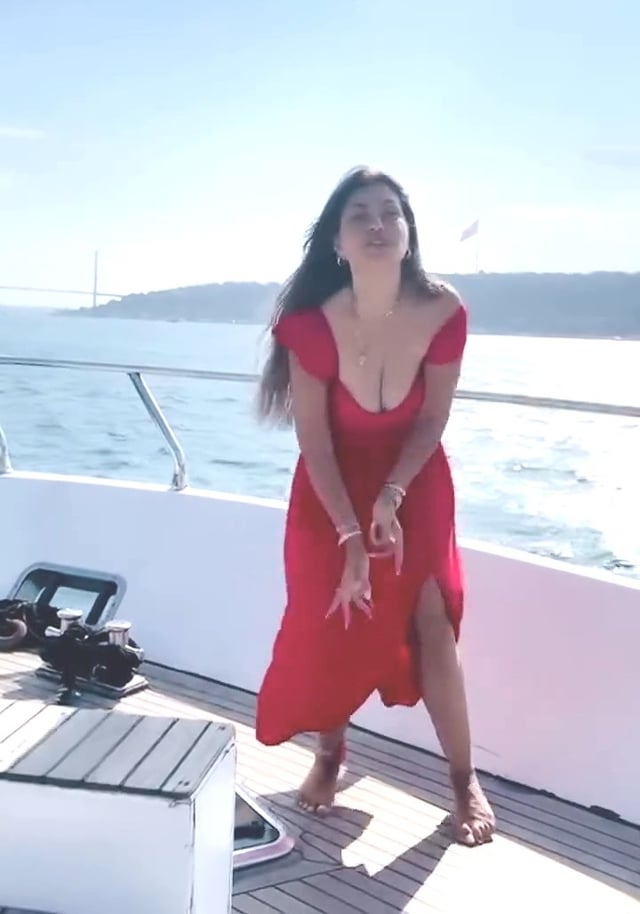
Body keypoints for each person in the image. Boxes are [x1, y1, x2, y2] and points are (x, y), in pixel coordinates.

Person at [256, 166, 495, 846]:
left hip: (413, 479)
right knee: (335, 620)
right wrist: (350, 537)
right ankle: (330, 752)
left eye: (391, 212)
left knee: (431, 621)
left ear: (409, 232)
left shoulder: (443, 310)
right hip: (330, 486)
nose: (378, 225)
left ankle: (463, 781)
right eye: (359, 215)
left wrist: (393, 495)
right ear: (338, 241)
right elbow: (315, 442)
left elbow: (432, 419)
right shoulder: (308, 326)